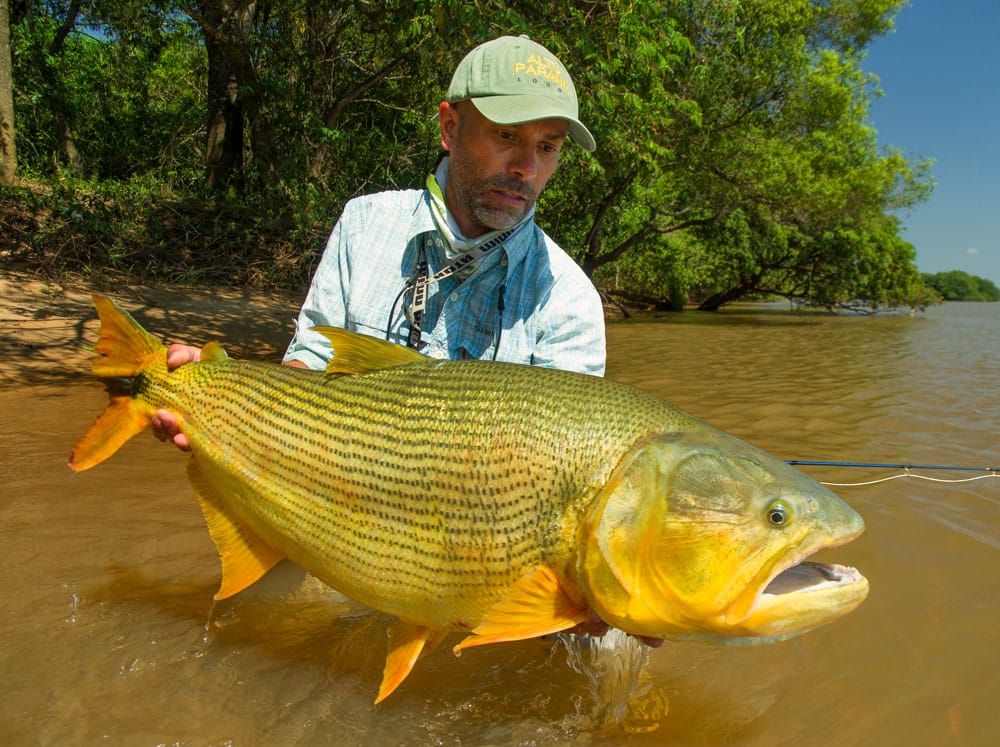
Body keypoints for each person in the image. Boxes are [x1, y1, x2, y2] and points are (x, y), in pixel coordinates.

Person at [153, 35, 606, 449]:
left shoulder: (568, 301)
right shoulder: (365, 224)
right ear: (449, 127)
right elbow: (311, 363)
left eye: (548, 147)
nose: (527, 166)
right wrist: (226, 396)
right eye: (507, 135)